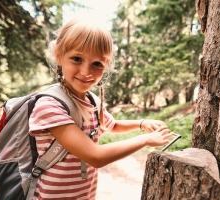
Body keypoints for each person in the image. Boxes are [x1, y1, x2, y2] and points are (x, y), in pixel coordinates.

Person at [28, 18, 174, 199]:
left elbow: (111, 125)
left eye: (97, 64)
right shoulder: (49, 106)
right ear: (59, 56)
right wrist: (145, 140)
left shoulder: (91, 101)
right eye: (77, 59)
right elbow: (96, 156)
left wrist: (142, 123)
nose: (86, 72)